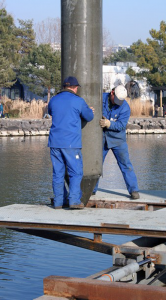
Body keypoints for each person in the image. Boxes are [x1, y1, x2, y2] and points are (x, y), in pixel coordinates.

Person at [48, 76, 94, 209]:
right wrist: (89, 110)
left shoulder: (53, 100)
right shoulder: (78, 101)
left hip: (54, 142)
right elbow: (89, 117)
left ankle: (58, 202)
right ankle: (74, 201)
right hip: (71, 143)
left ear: (64, 87)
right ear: (75, 88)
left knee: (58, 173)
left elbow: (51, 112)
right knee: (76, 172)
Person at [93, 85, 140, 200]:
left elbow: (121, 125)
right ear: (112, 93)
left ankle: (133, 190)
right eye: (116, 100)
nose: (118, 103)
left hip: (118, 140)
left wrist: (109, 124)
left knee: (126, 165)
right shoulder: (100, 98)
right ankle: (92, 189)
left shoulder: (125, 107)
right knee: (96, 165)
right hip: (102, 139)